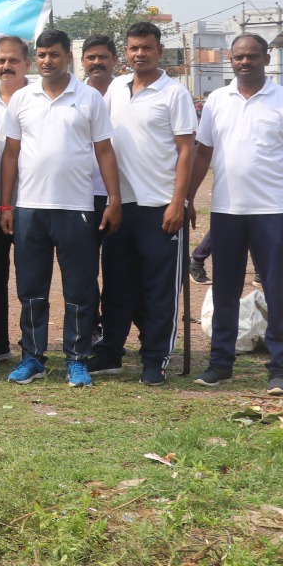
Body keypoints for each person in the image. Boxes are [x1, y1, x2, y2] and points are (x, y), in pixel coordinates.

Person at [187, 33, 283, 395]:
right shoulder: (217, 100)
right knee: (225, 290)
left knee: (277, 291)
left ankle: (280, 367)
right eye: (238, 57)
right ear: (230, 60)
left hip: (274, 211)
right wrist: (186, 197)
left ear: (266, 58)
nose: (244, 62)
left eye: (252, 57)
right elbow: (202, 154)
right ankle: (221, 363)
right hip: (227, 210)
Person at [0, 29, 121, 387]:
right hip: (29, 209)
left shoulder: (88, 99)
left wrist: (113, 200)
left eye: (54, 54)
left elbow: (104, 151)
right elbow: (10, 153)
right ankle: (33, 357)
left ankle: (77, 359)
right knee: (31, 288)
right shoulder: (22, 98)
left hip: (76, 208)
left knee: (80, 289)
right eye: (41, 55)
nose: (47, 61)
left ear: (68, 56)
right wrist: (6, 204)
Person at [88, 21, 197, 383]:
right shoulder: (115, 89)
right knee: (116, 285)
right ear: (127, 52)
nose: (139, 54)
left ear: (159, 51)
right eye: (134, 48)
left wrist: (178, 201)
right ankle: (110, 352)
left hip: (160, 207)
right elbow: (101, 142)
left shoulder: (174, 93)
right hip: (120, 205)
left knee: (159, 290)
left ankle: (154, 358)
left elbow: (186, 151)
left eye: (146, 48)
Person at [0, 36, 31, 363]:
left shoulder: (38, 98)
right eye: (1, 60)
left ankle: (32, 347)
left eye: (13, 60)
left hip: (30, 203)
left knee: (30, 279)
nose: (6, 66)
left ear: (26, 64)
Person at [82, 35, 118, 334]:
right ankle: (93, 328)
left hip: (121, 196)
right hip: (84, 196)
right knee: (86, 268)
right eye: (91, 57)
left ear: (114, 60)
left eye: (103, 57)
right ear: (82, 62)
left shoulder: (126, 93)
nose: (97, 62)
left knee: (119, 268)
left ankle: (116, 328)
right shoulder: (76, 96)